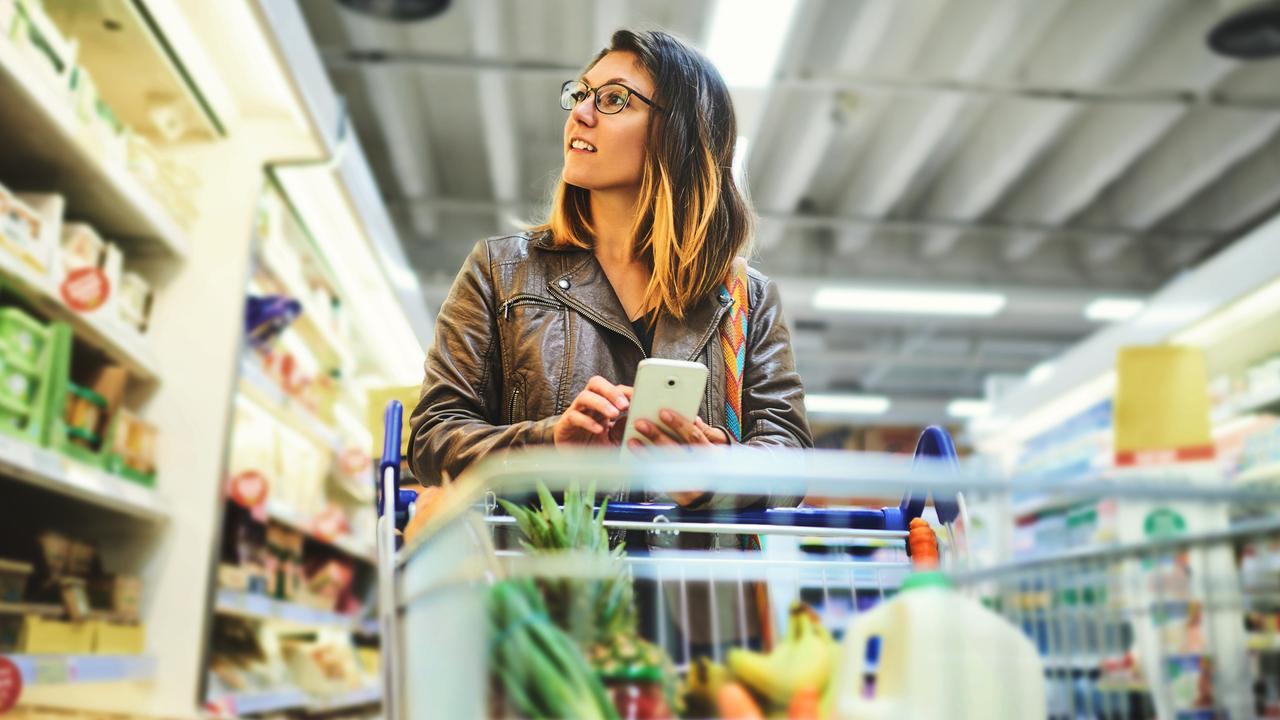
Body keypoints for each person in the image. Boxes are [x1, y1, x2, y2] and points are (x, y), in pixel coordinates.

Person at [409, 28, 812, 498]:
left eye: (614, 99)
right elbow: (430, 440)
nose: (580, 113)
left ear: (679, 133)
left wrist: (712, 470)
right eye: (580, 94)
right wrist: (548, 445)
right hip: (545, 570)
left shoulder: (746, 297)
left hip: (688, 571)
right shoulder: (501, 271)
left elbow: (791, 460)